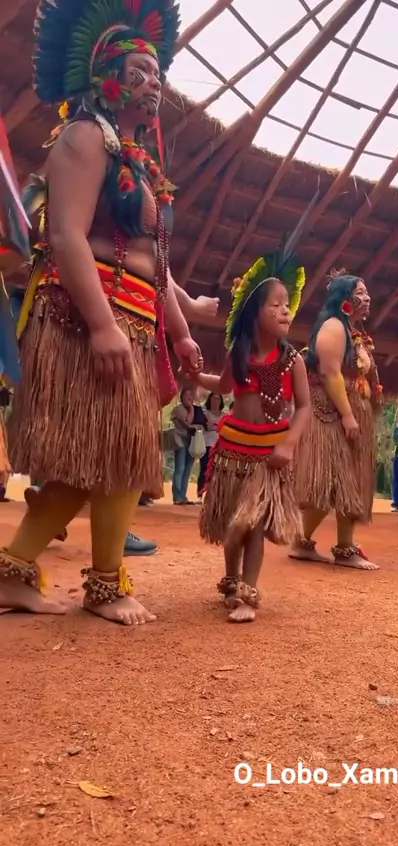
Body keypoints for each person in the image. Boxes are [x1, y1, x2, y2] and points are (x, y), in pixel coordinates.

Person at [0, 0, 203, 625]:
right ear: (104, 78)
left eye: (156, 72)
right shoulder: (85, 138)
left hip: (133, 318)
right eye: (136, 71)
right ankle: (82, 581)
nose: (152, 82)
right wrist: (102, 325)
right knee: (104, 454)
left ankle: (44, 574)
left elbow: (154, 263)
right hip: (88, 316)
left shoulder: (138, 161)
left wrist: (181, 330)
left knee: (118, 454)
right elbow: (65, 236)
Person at [192, 246, 311, 622]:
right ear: (253, 312)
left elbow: (304, 407)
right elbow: (223, 386)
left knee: (253, 526)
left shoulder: (293, 360)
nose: (285, 311)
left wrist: (289, 444)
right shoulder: (239, 354)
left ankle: (248, 593)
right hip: (233, 452)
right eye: (275, 305)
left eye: (287, 304)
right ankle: (231, 580)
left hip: (268, 457)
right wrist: (195, 376)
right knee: (233, 528)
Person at [289, 270, 383, 570]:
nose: (367, 298)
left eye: (367, 292)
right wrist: (347, 415)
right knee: (329, 482)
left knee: (351, 482)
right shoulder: (333, 326)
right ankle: (301, 541)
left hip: (351, 413)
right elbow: (330, 373)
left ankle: (344, 546)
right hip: (331, 415)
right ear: (343, 298)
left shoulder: (355, 332)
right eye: (360, 292)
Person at [171, 387, 205, 505]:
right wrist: (191, 409)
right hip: (180, 440)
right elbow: (188, 423)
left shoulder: (196, 409)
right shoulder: (178, 409)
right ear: (182, 397)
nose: (189, 397)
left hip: (192, 441)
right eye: (186, 395)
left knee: (187, 469)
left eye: (191, 395)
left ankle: (183, 496)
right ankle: (177, 496)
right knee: (180, 468)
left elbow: (201, 424)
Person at [197, 392, 224, 499]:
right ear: (210, 400)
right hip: (206, 444)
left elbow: (224, 429)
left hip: (219, 445)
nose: (216, 401)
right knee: (204, 469)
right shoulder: (205, 412)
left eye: (218, 398)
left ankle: (212, 494)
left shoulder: (223, 415)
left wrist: (215, 426)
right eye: (214, 398)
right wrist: (217, 427)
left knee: (216, 470)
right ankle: (200, 492)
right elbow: (207, 427)